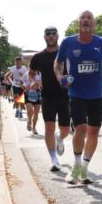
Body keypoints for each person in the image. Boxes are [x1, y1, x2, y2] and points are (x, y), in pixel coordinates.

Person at [55, 11, 102, 184]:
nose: (86, 21)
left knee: (94, 131)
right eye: (83, 18)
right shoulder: (68, 42)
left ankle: (85, 168)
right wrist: (60, 77)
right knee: (80, 129)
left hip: (96, 93)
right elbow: (57, 63)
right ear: (78, 23)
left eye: (89, 18)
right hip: (76, 92)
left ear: (94, 24)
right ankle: (76, 165)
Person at [30, 26, 71, 172]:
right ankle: (54, 160)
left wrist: (70, 80)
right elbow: (31, 73)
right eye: (48, 34)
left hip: (65, 96)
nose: (51, 36)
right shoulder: (38, 57)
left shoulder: (66, 54)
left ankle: (59, 138)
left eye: (54, 33)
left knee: (65, 130)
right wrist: (35, 81)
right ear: (44, 37)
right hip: (47, 96)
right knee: (49, 126)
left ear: (58, 36)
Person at [25, 66, 42, 135]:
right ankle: (29, 121)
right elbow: (20, 82)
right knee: (30, 110)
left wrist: (38, 85)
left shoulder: (40, 74)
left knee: (36, 112)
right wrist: (25, 87)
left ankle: (34, 127)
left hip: (37, 94)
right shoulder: (26, 74)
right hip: (28, 93)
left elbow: (42, 84)